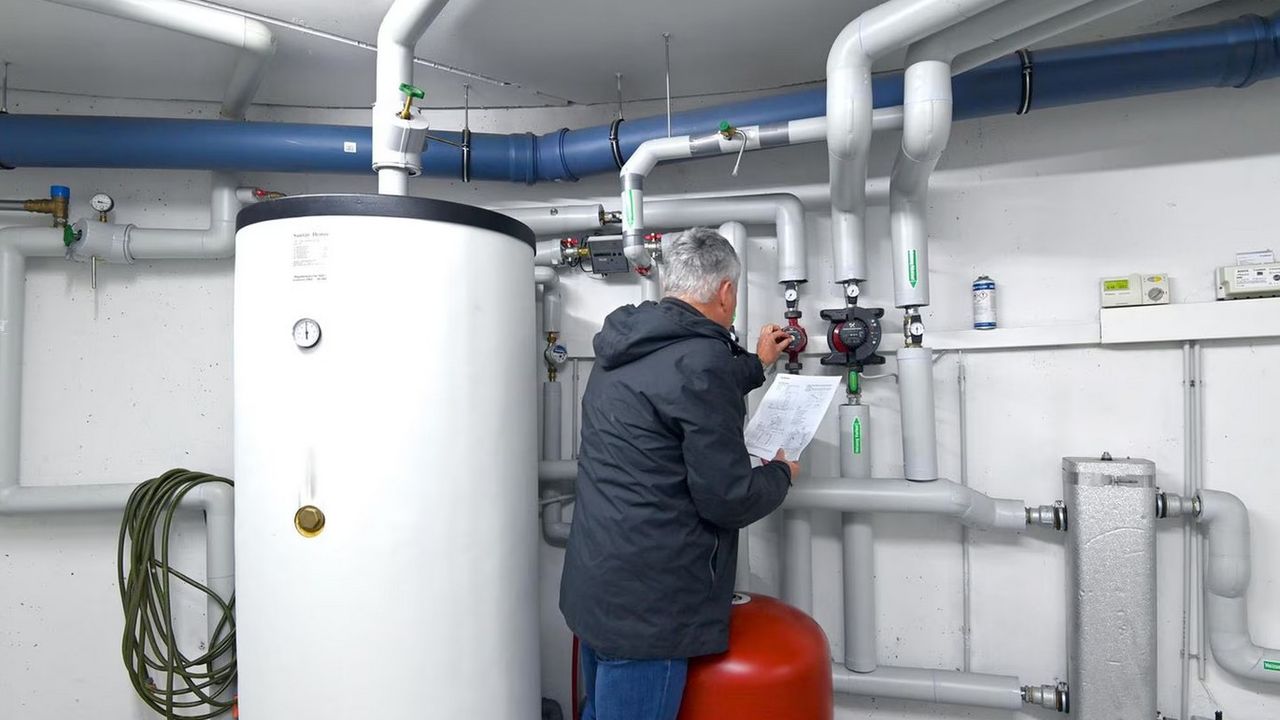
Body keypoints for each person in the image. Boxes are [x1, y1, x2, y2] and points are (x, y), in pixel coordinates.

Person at [560, 226, 800, 720]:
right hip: (651, 607)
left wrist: (756, 364)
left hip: (598, 585)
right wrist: (781, 473)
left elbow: (679, 386)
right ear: (726, 291)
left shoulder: (625, 343)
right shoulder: (702, 361)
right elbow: (728, 498)